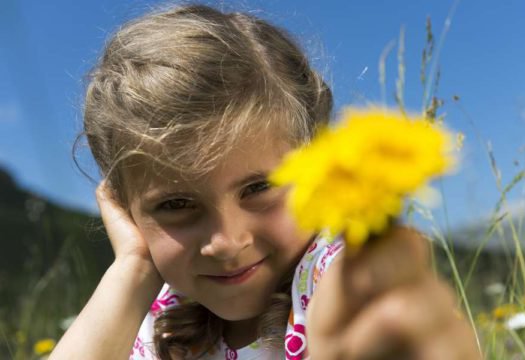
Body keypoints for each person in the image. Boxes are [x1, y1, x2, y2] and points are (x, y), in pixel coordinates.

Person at [51, 3, 480, 359]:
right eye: (177, 205)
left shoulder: (330, 278)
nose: (227, 242)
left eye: (258, 188)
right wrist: (134, 267)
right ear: (127, 210)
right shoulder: (162, 321)